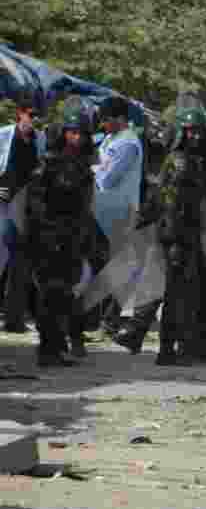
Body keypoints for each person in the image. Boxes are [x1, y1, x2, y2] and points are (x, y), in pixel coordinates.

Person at [152, 92, 206, 366]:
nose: (195, 136)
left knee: (200, 292)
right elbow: (169, 204)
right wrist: (174, 241)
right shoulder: (178, 162)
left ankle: (193, 346)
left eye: (199, 130)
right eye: (190, 131)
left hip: (199, 234)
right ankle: (168, 349)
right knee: (177, 293)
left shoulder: (200, 161)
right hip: (179, 236)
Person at [25, 98, 96, 366]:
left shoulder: (81, 164)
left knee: (65, 293)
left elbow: (84, 204)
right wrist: (48, 232)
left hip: (73, 237)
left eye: (80, 133)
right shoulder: (49, 164)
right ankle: (48, 350)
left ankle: (56, 346)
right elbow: (35, 203)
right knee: (51, 293)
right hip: (51, 238)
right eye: (71, 132)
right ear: (62, 133)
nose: (76, 138)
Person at [91, 96, 144, 337]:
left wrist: (92, 169)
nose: (103, 125)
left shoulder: (128, 144)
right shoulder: (111, 140)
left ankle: (110, 320)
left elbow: (107, 179)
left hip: (120, 211)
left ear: (121, 119)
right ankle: (101, 319)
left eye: (106, 120)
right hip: (103, 210)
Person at [1, 91, 46, 333]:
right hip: (4, 204)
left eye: (38, 116)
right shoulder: (4, 135)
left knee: (21, 262)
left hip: (28, 208)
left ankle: (14, 318)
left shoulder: (40, 139)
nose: (34, 119)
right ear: (20, 114)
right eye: (31, 114)